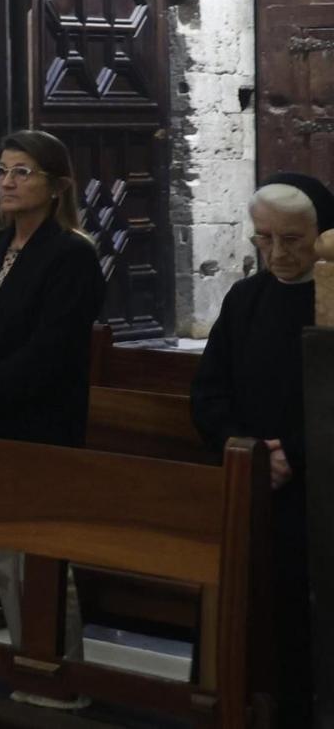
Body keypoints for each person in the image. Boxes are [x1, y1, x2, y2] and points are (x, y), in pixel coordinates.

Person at [0, 130, 103, 693]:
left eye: (22, 171)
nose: (7, 181)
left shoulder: (72, 255)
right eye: (2, 170)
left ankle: (60, 677)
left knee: (43, 559)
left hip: (39, 424)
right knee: (3, 556)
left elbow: (50, 349)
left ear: (56, 186)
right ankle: (29, 663)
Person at [191, 174, 327, 728]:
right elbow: (208, 392)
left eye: (292, 239)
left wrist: (291, 453)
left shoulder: (332, 301)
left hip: (318, 494)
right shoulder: (245, 298)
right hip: (248, 484)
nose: (277, 253)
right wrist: (243, 447)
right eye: (263, 239)